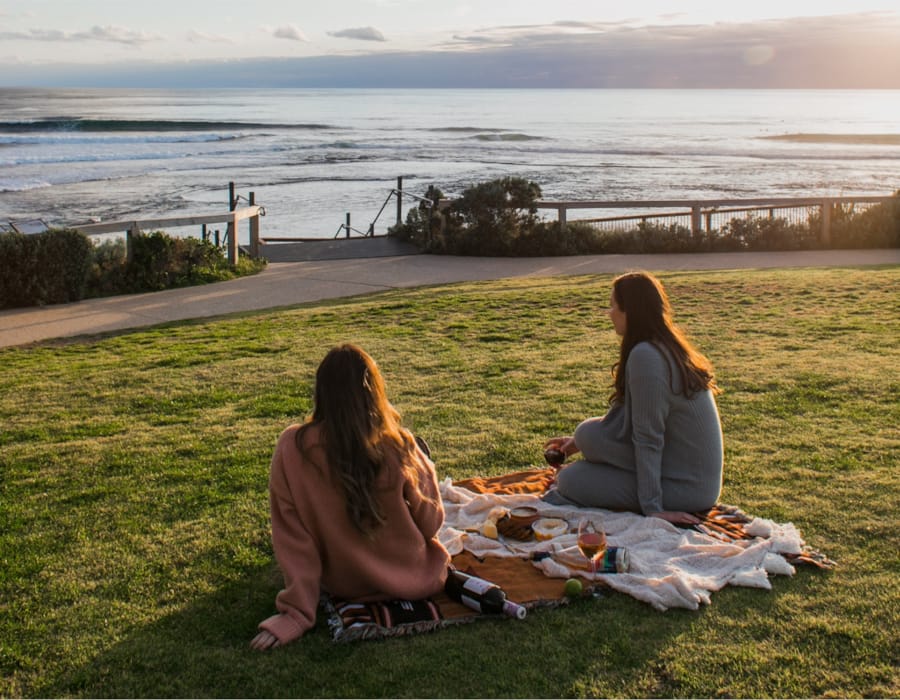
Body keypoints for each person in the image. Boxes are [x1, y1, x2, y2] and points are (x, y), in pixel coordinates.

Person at [251, 344, 450, 650]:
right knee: (419, 451)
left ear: (321, 393)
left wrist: (297, 614)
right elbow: (431, 523)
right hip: (413, 577)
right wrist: (424, 468)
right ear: (375, 393)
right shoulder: (399, 443)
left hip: (344, 584)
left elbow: (294, 540)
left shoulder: (292, 447)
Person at [543, 271, 723, 525]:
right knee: (586, 437)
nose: (610, 313)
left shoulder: (647, 356)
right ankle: (583, 447)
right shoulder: (661, 346)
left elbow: (649, 437)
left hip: (685, 488)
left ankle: (643, 494)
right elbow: (629, 421)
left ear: (631, 311)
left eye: (613, 306)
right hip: (678, 471)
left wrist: (653, 509)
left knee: (572, 479)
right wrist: (578, 442)